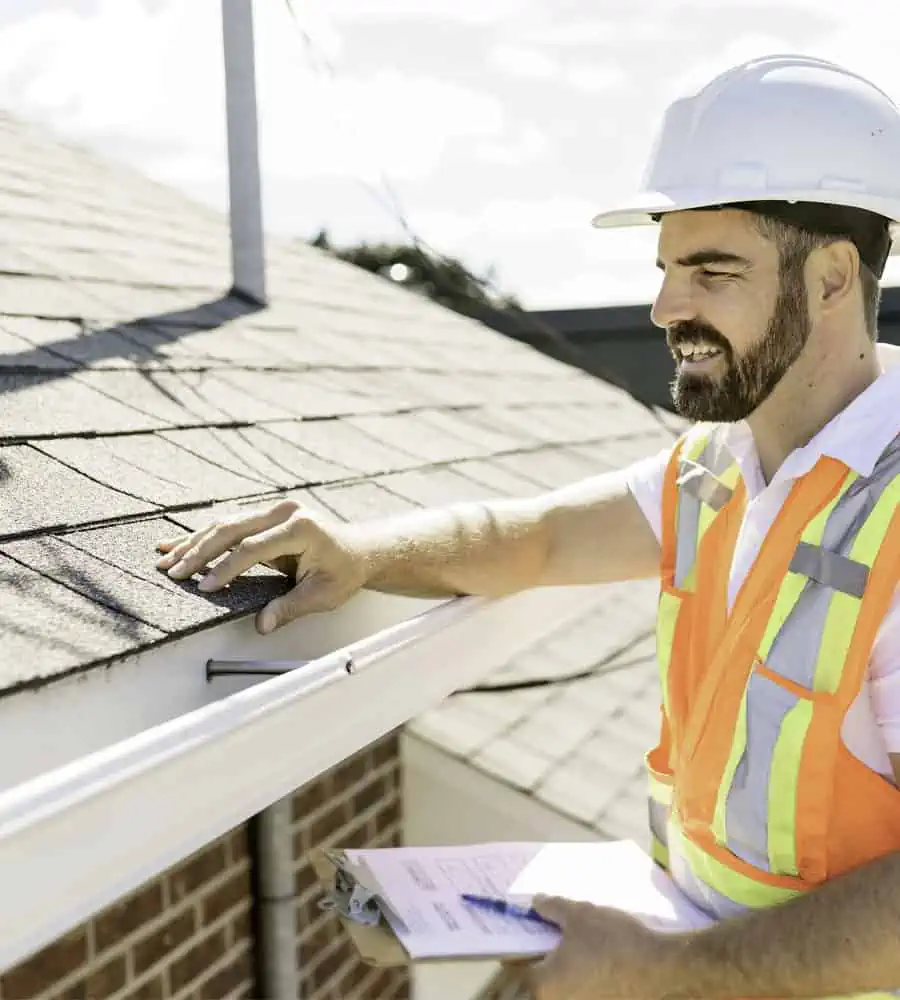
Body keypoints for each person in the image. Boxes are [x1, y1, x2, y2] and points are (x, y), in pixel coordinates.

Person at [157, 54, 900, 999]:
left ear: (834, 278)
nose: (667, 307)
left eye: (713, 271)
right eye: (668, 268)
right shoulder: (720, 467)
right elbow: (538, 539)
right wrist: (360, 553)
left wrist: (669, 972)